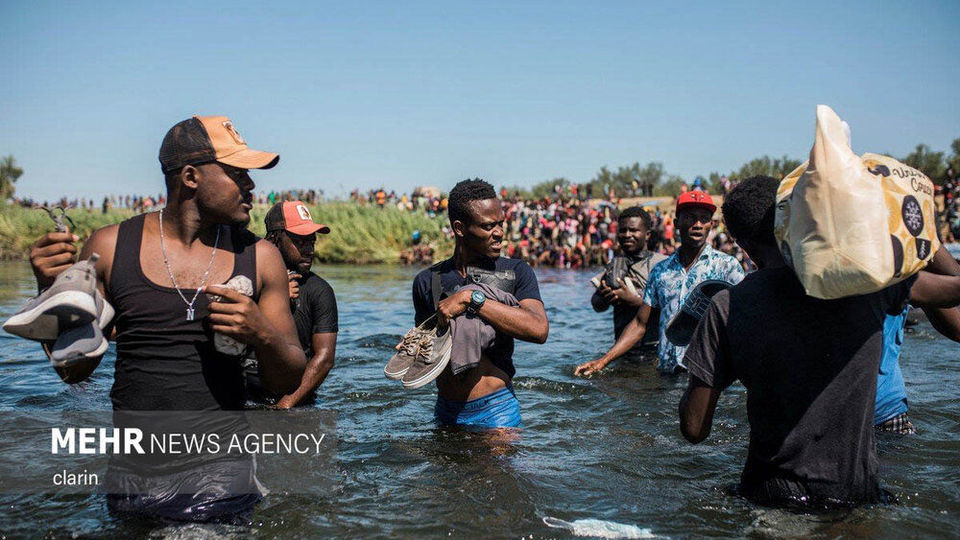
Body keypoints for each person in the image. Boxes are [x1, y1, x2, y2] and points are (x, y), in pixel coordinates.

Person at [28, 115, 307, 520]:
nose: (251, 186)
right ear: (191, 176)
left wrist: (261, 334)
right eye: (237, 173)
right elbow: (75, 370)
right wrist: (49, 290)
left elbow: (289, 379)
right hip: (135, 479)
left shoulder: (260, 257)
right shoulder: (110, 247)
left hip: (224, 477)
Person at [679, 175, 960, 508]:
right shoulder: (867, 282)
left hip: (768, 497)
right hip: (855, 495)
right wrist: (913, 227)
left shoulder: (728, 306)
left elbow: (694, 428)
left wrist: (707, 353)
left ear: (743, 245)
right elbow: (953, 286)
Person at [410, 178, 548, 428]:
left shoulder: (516, 271)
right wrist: (412, 349)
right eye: (488, 226)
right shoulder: (427, 281)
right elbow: (428, 351)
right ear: (460, 228)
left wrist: (470, 299)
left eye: (500, 224)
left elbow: (538, 329)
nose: (499, 233)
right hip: (446, 412)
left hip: (496, 411)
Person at [575, 191, 744, 376]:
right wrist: (603, 361)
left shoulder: (727, 267)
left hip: (707, 374)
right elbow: (640, 324)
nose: (697, 225)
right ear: (677, 222)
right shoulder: (661, 271)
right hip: (666, 374)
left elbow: (744, 319)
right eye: (690, 218)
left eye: (704, 219)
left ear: (711, 224)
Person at [252, 200, 339, 409]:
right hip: (248, 396)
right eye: (300, 242)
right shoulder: (250, 282)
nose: (309, 249)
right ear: (274, 240)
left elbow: (325, 358)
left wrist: (286, 404)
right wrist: (272, 298)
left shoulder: (320, 291)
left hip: (295, 401)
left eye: (312, 241)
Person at [589, 206, 667, 354]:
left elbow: (672, 305)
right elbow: (597, 306)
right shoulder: (615, 265)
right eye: (623, 230)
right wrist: (605, 296)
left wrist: (634, 300)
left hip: (655, 348)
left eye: (633, 230)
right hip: (622, 351)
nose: (627, 235)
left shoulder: (662, 264)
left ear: (647, 234)